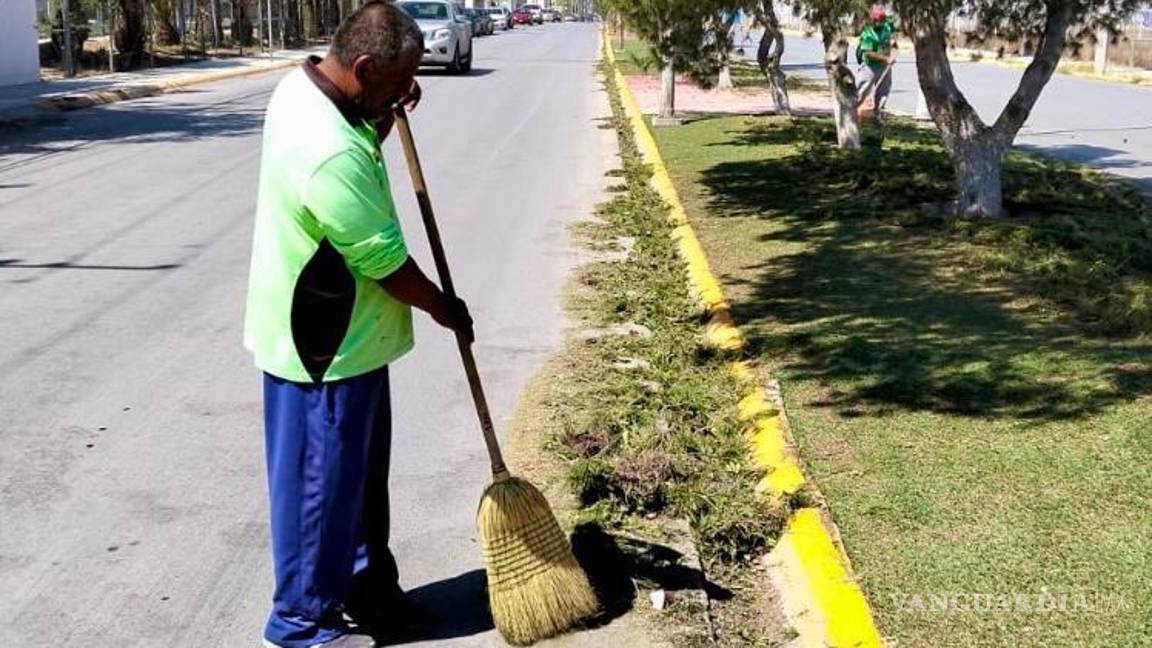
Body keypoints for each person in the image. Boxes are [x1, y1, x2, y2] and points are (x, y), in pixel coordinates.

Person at [243, 2, 474, 646]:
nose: (406, 94)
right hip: (322, 347)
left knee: (360, 490)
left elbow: (359, 120)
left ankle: (368, 593)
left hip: (357, 342)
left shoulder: (310, 89)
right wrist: (442, 307)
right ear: (364, 64)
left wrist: (381, 110)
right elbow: (382, 261)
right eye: (397, 82)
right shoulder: (325, 148)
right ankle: (301, 625)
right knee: (320, 495)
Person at [857, 5, 897, 120]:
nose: (880, 23)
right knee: (862, 90)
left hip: (885, 67)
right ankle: (853, 113)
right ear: (873, 20)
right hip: (870, 67)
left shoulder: (887, 26)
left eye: (882, 20)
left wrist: (893, 41)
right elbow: (868, 53)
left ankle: (878, 115)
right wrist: (886, 59)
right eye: (877, 21)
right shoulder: (867, 33)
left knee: (884, 92)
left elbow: (894, 31)